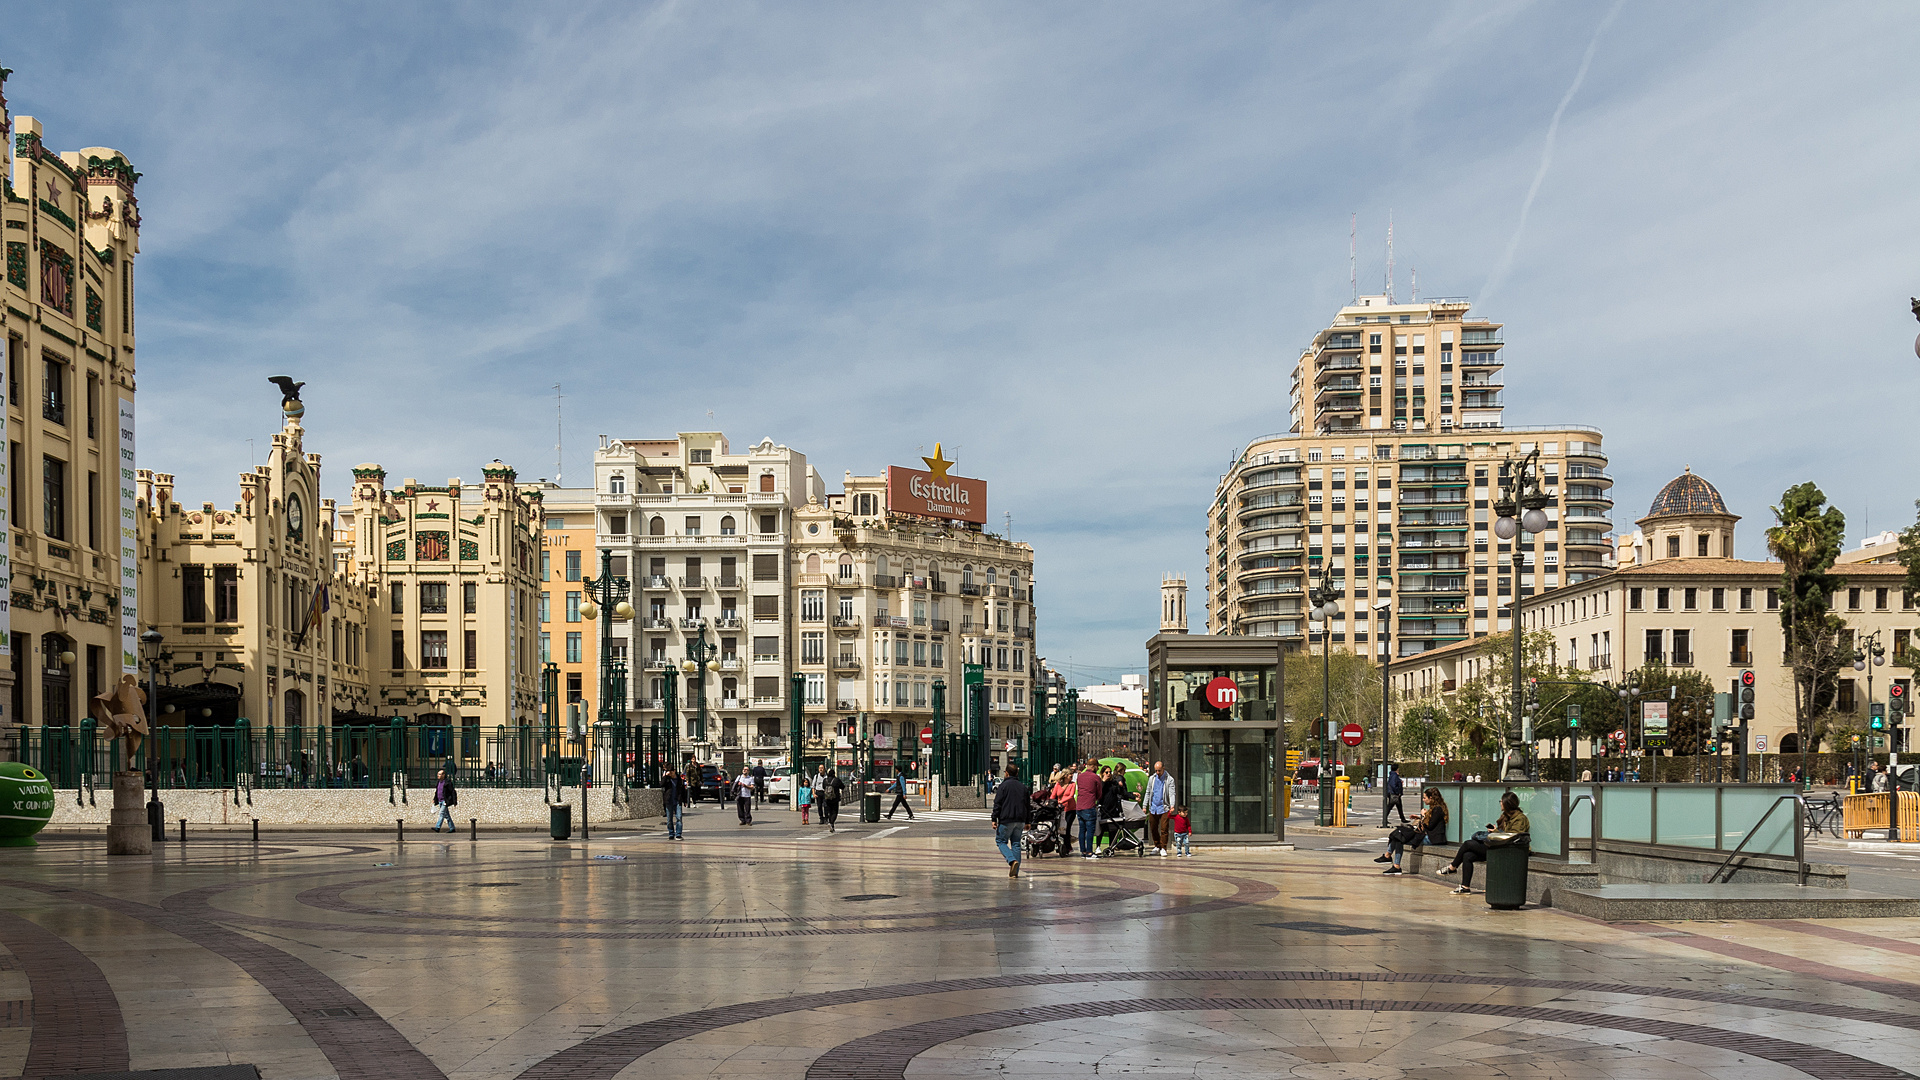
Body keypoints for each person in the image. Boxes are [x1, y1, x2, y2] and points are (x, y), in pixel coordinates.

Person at [1441, 791, 1530, 894]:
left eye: (1501, 801)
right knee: (1467, 855)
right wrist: (1495, 831)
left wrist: (1496, 832)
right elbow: (1504, 833)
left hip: (1508, 850)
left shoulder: (1520, 818)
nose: (1500, 803)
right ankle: (1465, 887)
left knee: (1468, 844)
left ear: (1507, 803)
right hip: (1499, 846)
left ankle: (1452, 867)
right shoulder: (1506, 816)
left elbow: (1513, 837)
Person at [1377, 787, 1447, 875]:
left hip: (1432, 838)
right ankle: (1392, 861)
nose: (1423, 800)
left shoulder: (1437, 809)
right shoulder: (1434, 808)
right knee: (1398, 835)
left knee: (1400, 837)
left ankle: (1391, 860)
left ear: (1431, 798)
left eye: (1425, 798)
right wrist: (1420, 817)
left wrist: (1424, 815)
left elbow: (1430, 826)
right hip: (1428, 835)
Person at [990, 765, 1032, 877]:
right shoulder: (1023, 787)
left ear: (1007, 773)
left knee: (1001, 841)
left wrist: (994, 818)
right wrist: (1028, 821)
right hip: (1020, 820)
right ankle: (1015, 872)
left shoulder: (1003, 786)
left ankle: (1012, 860)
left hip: (1006, 819)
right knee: (1016, 844)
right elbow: (1028, 805)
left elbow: (997, 804)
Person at [1144, 761, 1177, 856]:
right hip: (1153, 807)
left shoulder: (1169, 779)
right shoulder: (1152, 778)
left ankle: (1163, 847)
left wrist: (1172, 805)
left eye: (1159, 770)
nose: (1157, 773)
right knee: (1153, 827)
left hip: (1164, 807)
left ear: (1163, 768)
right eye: (1156, 771)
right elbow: (1148, 792)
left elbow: (1172, 793)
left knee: (1164, 828)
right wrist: (1144, 806)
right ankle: (1157, 845)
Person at [1074, 761, 1102, 858]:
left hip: (1079, 806)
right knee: (1090, 830)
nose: (1098, 768)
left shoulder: (1080, 776)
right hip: (1089, 806)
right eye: (1097, 766)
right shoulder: (1095, 777)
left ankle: (1083, 851)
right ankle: (1089, 852)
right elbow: (1099, 793)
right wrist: (1096, 799)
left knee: (1082, 830)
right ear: (1093, 766)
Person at [817, 765, 845, 833]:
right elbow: (842, 786)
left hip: (827, 798)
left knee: (829, 811)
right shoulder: (836, 780)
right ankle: (831, 823)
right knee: (835, 812)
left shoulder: (825, 780)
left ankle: (830, 822)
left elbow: (823, 787)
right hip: (835, 798)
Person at [662, 769, 686, 841]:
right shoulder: (667, 780)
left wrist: (685, 800)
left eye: (670, 771)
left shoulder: (679, 779)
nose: (670, 773)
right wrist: (665, 777)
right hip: (669, 801)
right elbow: (661, 784)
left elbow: (683, 790)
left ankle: (678, 834)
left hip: (677, 801)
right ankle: (671, 833)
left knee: (679, 817)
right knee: (669, 819)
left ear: (674, 771)